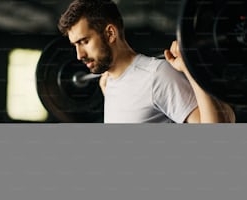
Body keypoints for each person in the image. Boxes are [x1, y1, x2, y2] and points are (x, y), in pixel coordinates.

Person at [58, 0, 235, 123]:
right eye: (75, 45)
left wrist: (192, 69)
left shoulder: (156, 75)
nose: (79, 55)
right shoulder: (108, 82)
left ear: (110, 33)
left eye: (84, 42)